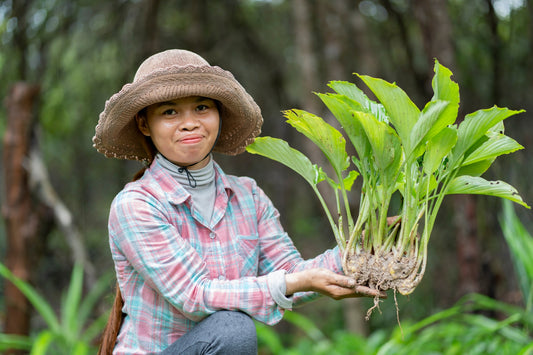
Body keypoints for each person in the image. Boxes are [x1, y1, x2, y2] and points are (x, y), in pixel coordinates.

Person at [93, 49, 385, 355]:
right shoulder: (136, 204)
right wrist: (296, 282)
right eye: (169, 112)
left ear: (219, 114)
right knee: (232, 329)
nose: (190, 123)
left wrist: (358, 251)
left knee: (232, 328)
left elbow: (292, 272)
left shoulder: (248, 196)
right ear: (144, 124)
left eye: (202, 107)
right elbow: (194, 295)